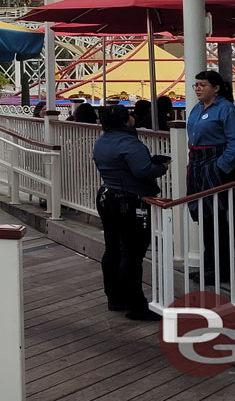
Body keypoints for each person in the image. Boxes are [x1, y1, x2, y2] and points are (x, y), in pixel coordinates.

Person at [93, 104, 167, 321]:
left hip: (107, 196)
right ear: (125, 121)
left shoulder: (102, 141)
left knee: (113, 249)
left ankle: (115, 298)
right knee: (132, 254)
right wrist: (161, 167)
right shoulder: (128, 142)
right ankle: (135, 305)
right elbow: (142, 170)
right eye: (130, 115)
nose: (133, 117)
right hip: (130, 200)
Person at [186, 70, 235, 284]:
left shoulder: (226, 110)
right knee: (205, 218)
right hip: (198, 166)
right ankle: (209, 266)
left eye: (202, 85)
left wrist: (221, 167)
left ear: (216, 88)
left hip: (214, 167)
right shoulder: (197, 109)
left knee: (217, 219)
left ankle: (221, 269)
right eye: (196, 85)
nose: (198, 89)